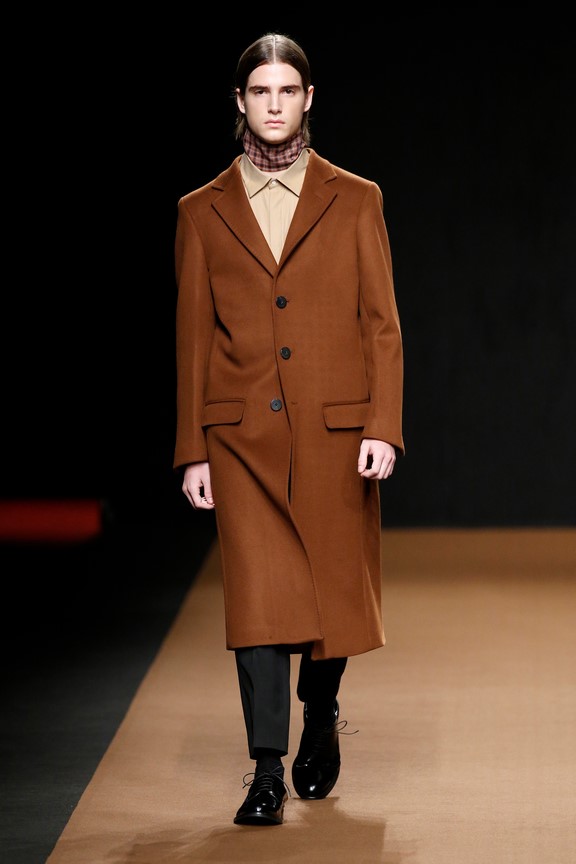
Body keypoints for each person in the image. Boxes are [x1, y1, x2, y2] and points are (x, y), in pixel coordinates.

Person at [174, 32, 404, 827]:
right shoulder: (200, 211)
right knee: (260, 603)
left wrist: (383, 426)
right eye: (259, 91)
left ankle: (322, 710)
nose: (273, 105)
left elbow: (382, 325)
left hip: (336, 433)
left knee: (332, 596)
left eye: (287, 91)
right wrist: (192, 449)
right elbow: (192, 339)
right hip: (240, 439)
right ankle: (266, 770)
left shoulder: (357, 198)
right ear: (240, 102)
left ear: (308, 99)